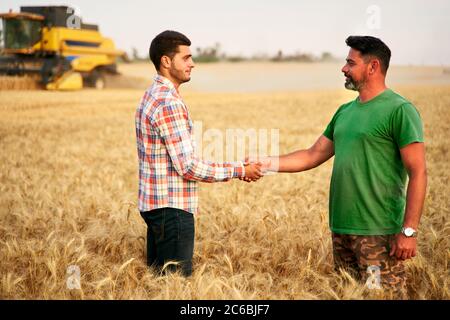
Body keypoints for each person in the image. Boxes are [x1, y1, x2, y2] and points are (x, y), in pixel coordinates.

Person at [257, 36, 427, 296]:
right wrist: (265, 164)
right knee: (347, 293)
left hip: (378, 234)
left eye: (350, 62)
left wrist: (409, 231)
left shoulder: (400, 110)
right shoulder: (344, 112)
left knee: (378, 295)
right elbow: (313, 154)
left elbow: (418, 173)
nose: (343, 68)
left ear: (373, 67)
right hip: (342, 231)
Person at [135, 30, 263, 277]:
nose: (192, 63)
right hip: (172, 210)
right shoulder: (168, 102)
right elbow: (188, 167)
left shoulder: (152, 94)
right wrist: (240, 169)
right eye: (186, 57)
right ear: (166, 61)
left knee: (159, 283)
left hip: (155, 206)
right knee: (176, 287)